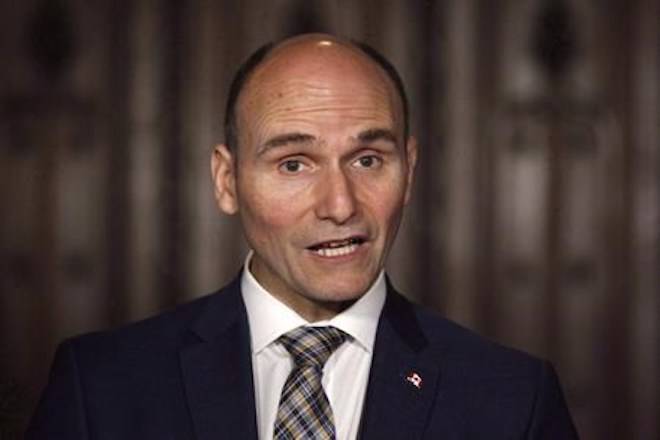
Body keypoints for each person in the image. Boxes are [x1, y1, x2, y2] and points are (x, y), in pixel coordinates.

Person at [27, 33, 579, 439]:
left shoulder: (512, 400)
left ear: (408, 171)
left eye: (368, 159)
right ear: (227, 181)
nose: (340, 205)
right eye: (294, 164)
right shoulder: (101, 387)